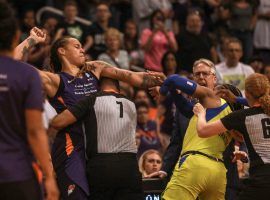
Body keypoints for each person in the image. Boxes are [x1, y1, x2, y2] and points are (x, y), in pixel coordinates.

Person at [14, 27, 164, 199]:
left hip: (97, 153)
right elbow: (12, 65)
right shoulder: (55, 80)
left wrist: (163, 82)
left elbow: (133, 77)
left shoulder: (95, 69)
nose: (83, 49)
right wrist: (31, 40)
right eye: (77, 46)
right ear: (62, 51)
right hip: (71, 150)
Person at [0, 1, 59, 200]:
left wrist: (30, 40)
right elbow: (35, 132)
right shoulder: (27, 76)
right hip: (18, 174)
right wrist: (49, 178)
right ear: (15, 36)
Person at [50, 77, 143, 200]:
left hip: (102, 166)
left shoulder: (91, 99)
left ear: (97, 87)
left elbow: (58, 123)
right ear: (118, 88)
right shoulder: (132, 104)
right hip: (130, 166)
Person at [157, 58, 237, 199]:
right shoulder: (222, 111)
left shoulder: (210, 96)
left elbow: (174, 79)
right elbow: (186, 108)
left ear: (215, 79)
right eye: (197, 74)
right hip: (218, 171)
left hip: (195, 164)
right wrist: (173, 91)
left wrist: (162, 91)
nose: (200, 77)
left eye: (205, 74)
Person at [193, 73, 270, 200]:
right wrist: (236, 99)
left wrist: (201, 113)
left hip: (261, 182)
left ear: (247, 93)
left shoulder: (242, 116)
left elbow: (203, 131)